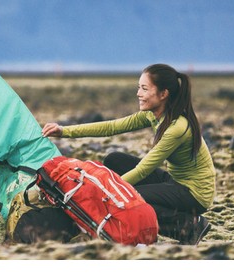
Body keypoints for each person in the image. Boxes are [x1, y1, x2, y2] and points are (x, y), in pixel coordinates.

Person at [41, 64, 215, 245]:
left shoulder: (177, 128)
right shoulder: (152, 115)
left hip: (194, 193)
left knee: (135, 198)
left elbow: (143, 169)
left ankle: (189, 227)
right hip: (175, 182)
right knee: (114, 160)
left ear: (163, 94)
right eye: (138, 87)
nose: (138, 93)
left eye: (144, 89)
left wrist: (109, 194)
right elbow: (112, 127)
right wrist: (63, 131)